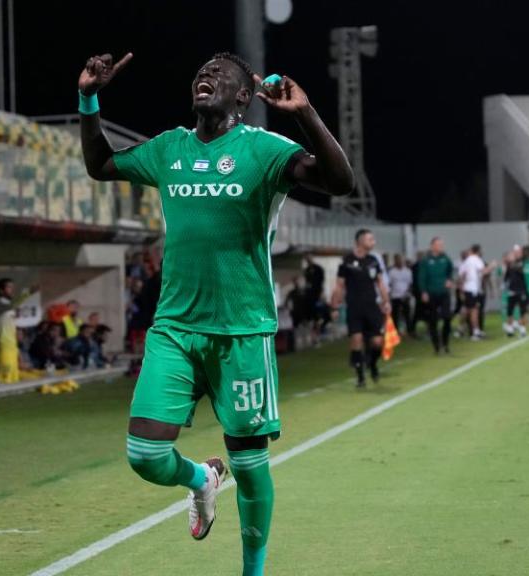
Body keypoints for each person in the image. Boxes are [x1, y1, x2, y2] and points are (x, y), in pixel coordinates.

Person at [78, 50, 353, 575]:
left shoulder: (265, 149)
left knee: (250, 468)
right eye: (200, 71)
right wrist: (88, 98)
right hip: (175, 329)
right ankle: (202, 480)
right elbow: (102, 165)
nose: (205, 76)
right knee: (144, 455)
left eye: (219, 74)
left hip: (242, 331)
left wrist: (305, 112)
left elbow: (340, 183)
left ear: (244, 98)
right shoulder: (169, 148)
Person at [330, 229, 391, 387]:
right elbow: (339, 286)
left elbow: (380, 283)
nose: (373, 242)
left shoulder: (373, 261)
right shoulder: (347, 261)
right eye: (370, 239)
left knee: (377, 342)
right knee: (356, 340)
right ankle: (360, 377)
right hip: (354, 308)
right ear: (360, 241)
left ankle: (372, 364)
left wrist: (386, 302)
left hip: (372, 307)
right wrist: (335, 306)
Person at [0, 278, 37, 384]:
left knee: (14, 379)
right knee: (4, 380)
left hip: (12, 346)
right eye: (9, 287)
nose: (12, 290)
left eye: (13, 287)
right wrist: (28, 293)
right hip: (3, 347)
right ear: (0, 291)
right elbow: (14, 304)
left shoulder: (8, 307)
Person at [419, 237, 455, 354]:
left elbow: (451, 271)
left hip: (444, 292)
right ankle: (436, 346)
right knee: (433, 321)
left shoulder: (445, 258)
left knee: (447, 317)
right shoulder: (425, 260)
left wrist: (449, 280)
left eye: (442, 244)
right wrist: (423, 291)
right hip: (431, 293)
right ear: (432, 246)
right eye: (439, 244)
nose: (441, 247)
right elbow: (422, 277)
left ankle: (445, 343)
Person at [458, 245, 494, 340]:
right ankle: (475, 332)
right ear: (478, 251)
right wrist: (492, 266)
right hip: (473, 289)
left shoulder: (466, 261)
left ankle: (462, 328)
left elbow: (462, 275)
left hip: (468, 288)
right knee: (474, 310)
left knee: (467, 309)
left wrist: (462, 288)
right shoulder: (476, 259)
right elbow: (484, 271)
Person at [503, 246, 529, 337]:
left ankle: (522, 329)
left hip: (522, 289)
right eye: (515, 252)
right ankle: (510, 329)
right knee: (510, 311)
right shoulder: (510, 265)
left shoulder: (524, 262)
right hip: (512, 290)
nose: (516, 254)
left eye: (518, 252)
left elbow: (521, 270)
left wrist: (511, 263)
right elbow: (506, 277)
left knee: (523, 310)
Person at [388, 254, 414, 336]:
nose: (400, 262)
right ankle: (395, 331)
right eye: (398, 260)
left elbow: (410, 284)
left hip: (405, 296)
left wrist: (407, 293)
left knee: (407, 314)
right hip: (395, 296)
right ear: (395, 261)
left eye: (401, 260)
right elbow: (389, 284)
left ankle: (409, 331)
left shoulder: (408, 271)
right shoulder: (391, 272)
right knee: (395, 315)